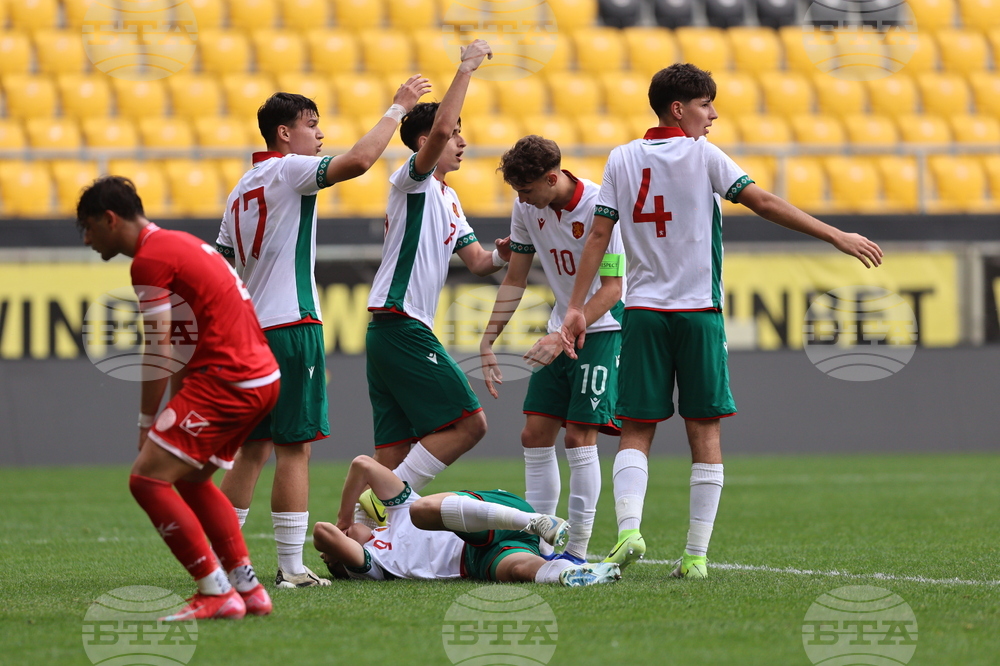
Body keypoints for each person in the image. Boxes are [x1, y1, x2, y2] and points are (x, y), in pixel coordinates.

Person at [560, 63, 884, 579]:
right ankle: (695, 557)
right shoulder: (702, 154)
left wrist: (575, 306)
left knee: (636, 430)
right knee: (704, 432)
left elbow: (598, 237)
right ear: (678, 109)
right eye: (706, 105)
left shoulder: (620, 158)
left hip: (642, 314)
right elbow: (764, 202)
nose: (712, 115)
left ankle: (628, 531)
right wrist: (836, 236)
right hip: (698, 314)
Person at [215, 78, 430, 588]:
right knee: (295, 448)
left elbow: (223, 266)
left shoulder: (239, 190)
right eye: (312, 127)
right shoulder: (290, 171)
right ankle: (291, 568)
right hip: (291, 326)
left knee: (252, 449)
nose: (321, 135)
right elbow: (357, 162)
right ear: (284, 134)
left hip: (250, 332)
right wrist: (398, 108)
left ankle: (221, 560)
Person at [77, 176, 281, 619]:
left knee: (146, 480)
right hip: (260, 377)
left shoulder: (148, 261)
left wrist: (147, 422)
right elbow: (183, 348)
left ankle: (216, 591)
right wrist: (171, 411)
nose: (87, 239)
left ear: (110, 219)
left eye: (88, 227)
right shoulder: (178, 244)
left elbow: (160, 346)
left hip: (228, 379)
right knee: (191, 479)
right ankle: (248, 590)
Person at [363, 39, 511, 500]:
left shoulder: (448, 198)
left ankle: (358, 537)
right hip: (401, 319)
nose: (462, 141)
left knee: (393, 447)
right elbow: (443, 127)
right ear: (426, 143)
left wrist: (506, 252)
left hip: (393, 327)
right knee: (470, 424)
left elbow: (479, 264)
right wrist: (466, 68)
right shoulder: (412, 177)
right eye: (455, 135)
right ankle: (382, 503)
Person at [478, 135, 625, 563]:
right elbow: (516, 278)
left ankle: (576, 550)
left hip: (605, 329)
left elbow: (614, 289)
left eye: (526, 190)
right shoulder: (527, 207)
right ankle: (543, 543)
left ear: (552, 177)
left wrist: (564, 333)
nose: (521, 199)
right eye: (517, 192)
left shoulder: (603, 206)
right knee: (535, 433)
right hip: (560, 329)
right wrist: (489, 339)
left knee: (580, 438)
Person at [314, 455, 621, 587]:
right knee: (519, 570)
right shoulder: (375, 564)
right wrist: (339, 539)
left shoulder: (396, 514)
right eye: (332, 557)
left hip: (492, 512)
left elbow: (362, 465)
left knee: (420, 511)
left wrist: (348, 517)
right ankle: (579, 573)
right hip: (478, 556)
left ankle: (534, 521)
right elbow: (322, 533)